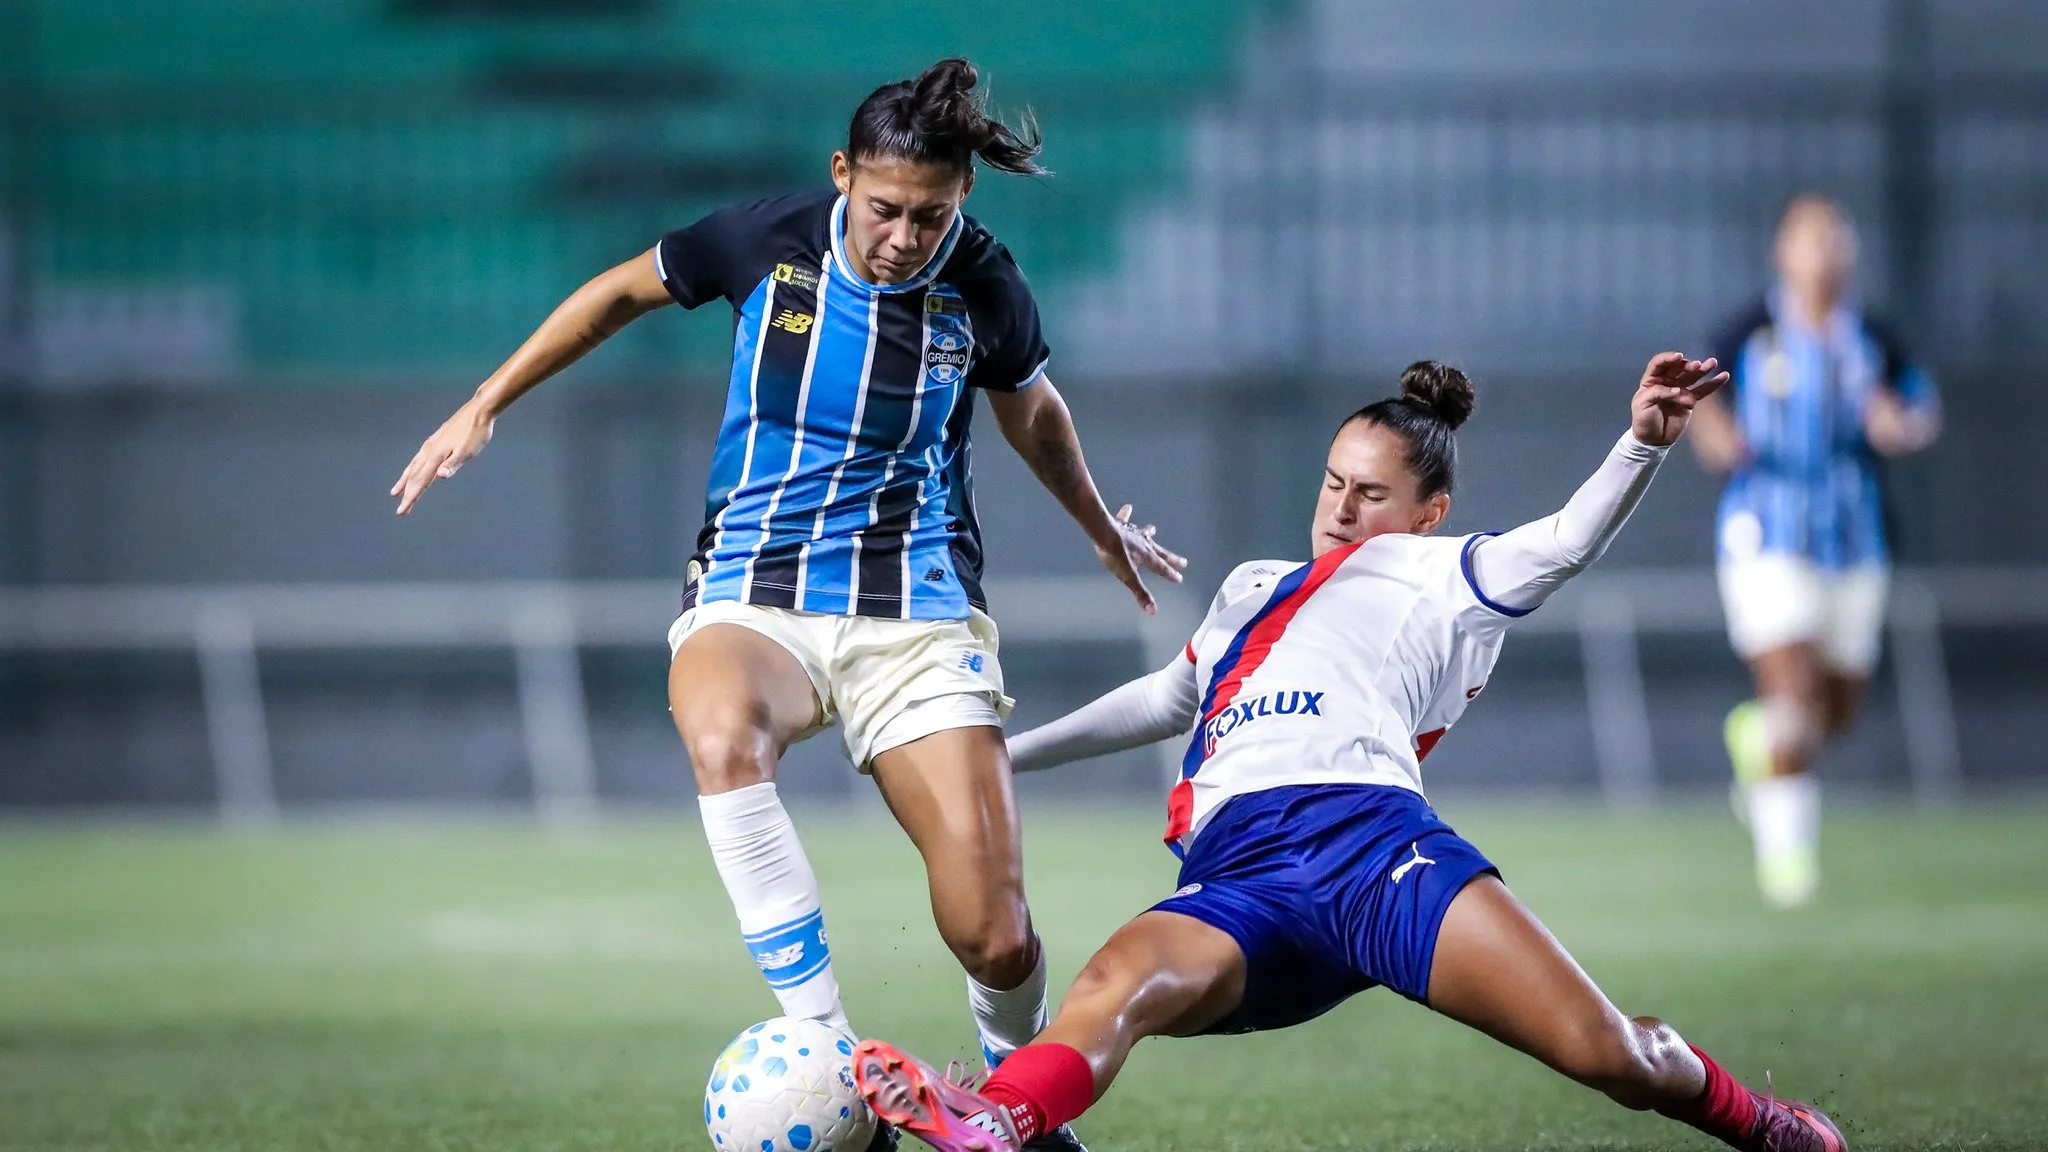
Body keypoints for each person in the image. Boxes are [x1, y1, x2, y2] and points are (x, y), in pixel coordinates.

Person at [390, 58, 1183, 1151]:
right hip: (752, 590)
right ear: (840, 174)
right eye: (885, 209)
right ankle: (831, 1053)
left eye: (932, 214)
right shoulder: (762, 241)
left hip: (915, 613)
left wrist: (1102, 528)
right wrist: (485, 401)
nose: (905, 236)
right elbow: (617, 291)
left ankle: (1013, 1113)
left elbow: (1033, 412)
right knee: (719, 733)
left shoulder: (984, 285)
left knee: (993, 938)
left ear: (963, 201)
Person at [850, 354, 1849, 1152]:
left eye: (1368, 494)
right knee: (1110, 987)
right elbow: (1168, 698)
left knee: (1608, 1054)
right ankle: (997, 1124)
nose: (1338, 508)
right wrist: (997, 759)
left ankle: (1756, 1124)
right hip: (1239, 873)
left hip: (1374, 852)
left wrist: (1640, 443)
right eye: (1331, 482)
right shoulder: (1252, 585)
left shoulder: (1441, 573)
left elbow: (1561, 544)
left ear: (1426, 513)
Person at [1689, 194, 1942, 908]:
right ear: (1783, 251)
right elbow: (1701, 395)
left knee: (1838, 708)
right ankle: (1788, 863)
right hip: (1766, 534)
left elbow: (1921, 404)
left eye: (1836, 239)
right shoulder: (1750, 331)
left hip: (1855, 536)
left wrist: (1904, 425)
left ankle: (1756, 738)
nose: (1824, 253)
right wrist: (1714, 434)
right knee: (1793, 691)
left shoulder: (1874, 338)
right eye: (1810, 240)